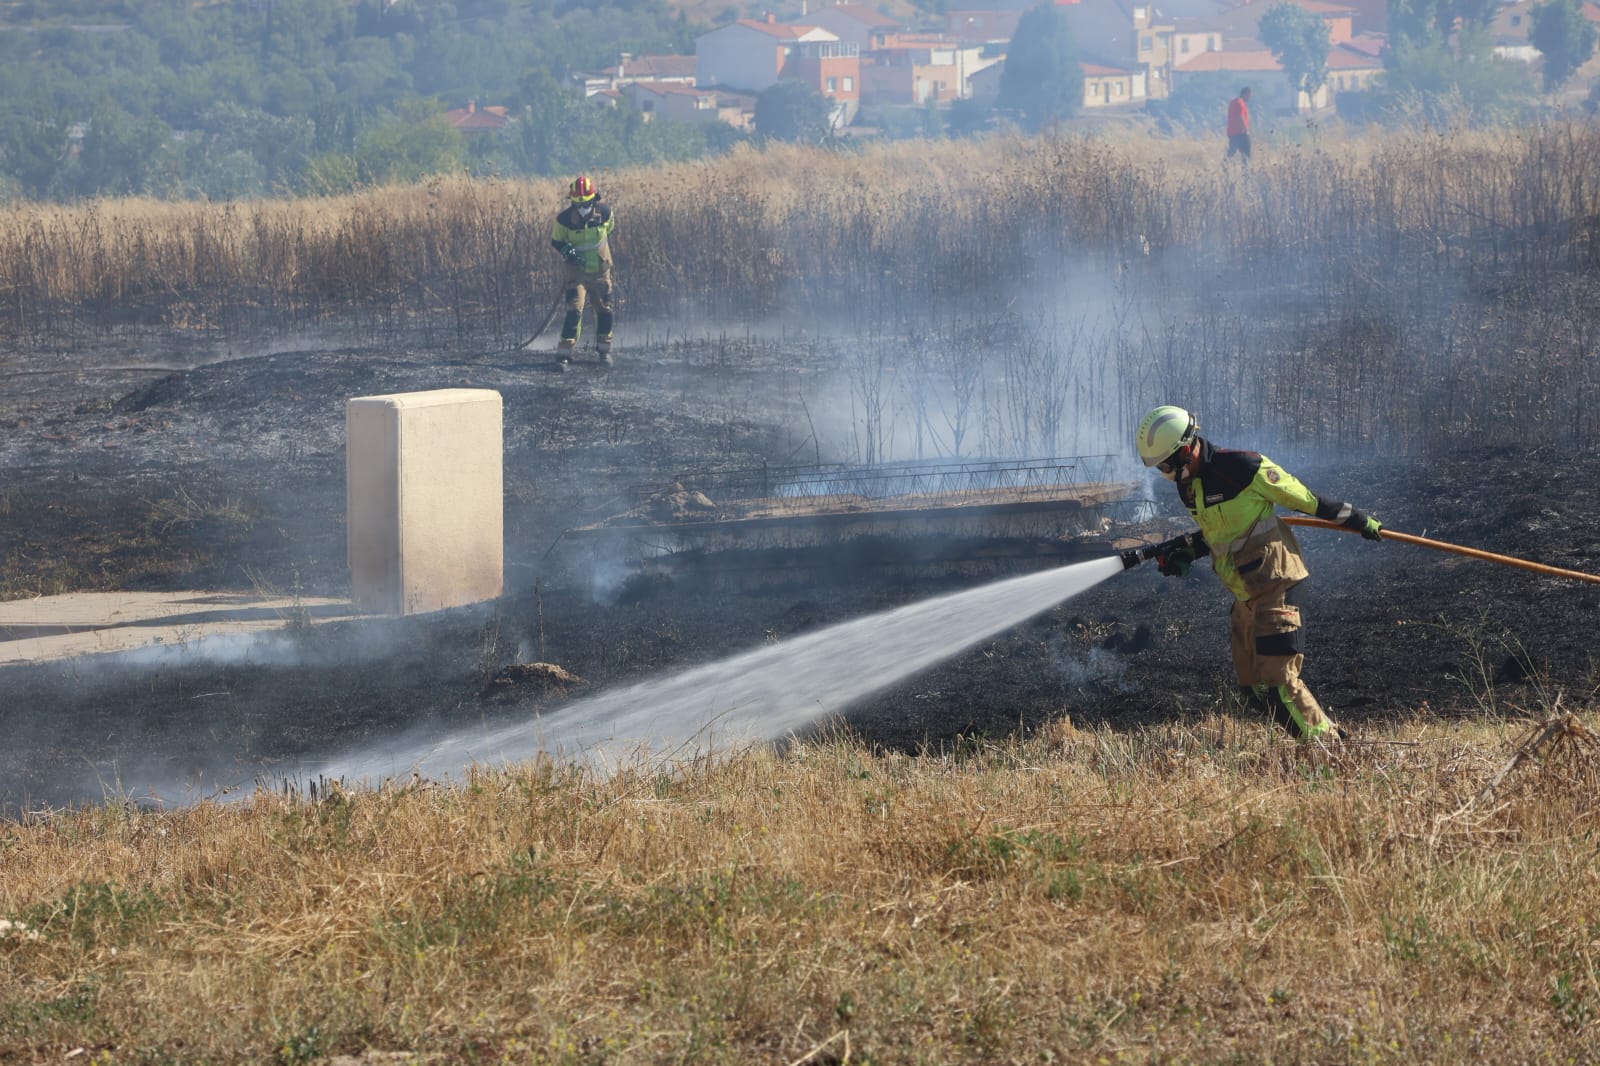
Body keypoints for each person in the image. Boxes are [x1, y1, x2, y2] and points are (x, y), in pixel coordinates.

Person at [1134, 405, 1383, 743]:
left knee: (1279, 683)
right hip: (1245, 595)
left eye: (1165, 464)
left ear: (1186, 448)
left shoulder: (1242, 467)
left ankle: (1333, 751)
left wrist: (1359, 520)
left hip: (1277, 583)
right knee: (1256, 690)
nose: (1165, 474)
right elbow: (1218, 533)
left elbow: (1307, 500)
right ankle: (1326, 741)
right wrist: (1188, 551)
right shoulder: (1188, 486)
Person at [550, 174, 616, 364]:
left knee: (605, 309)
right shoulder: (564, 220)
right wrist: (566, 251)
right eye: (577, 205)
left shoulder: (605, 213)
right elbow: (556, 240)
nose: (582, 209)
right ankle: (564, 355)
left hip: (601, 270)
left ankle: (604, 351)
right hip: (576, 273)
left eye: (585, 204)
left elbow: (609, 230)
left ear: (594, 199)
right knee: (574, 310)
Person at [1226, 87, 1252, 164]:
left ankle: (1225, 167)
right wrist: (1246, 130)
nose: (1250, 98)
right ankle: (1246, 174)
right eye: (1249, 95)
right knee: (1246, 154)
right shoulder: (1239, 103)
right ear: (1246, 94)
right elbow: (1239, 117)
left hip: (1233, 133)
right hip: (1240, 133)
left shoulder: (1235, 102)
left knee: (1232, 152)